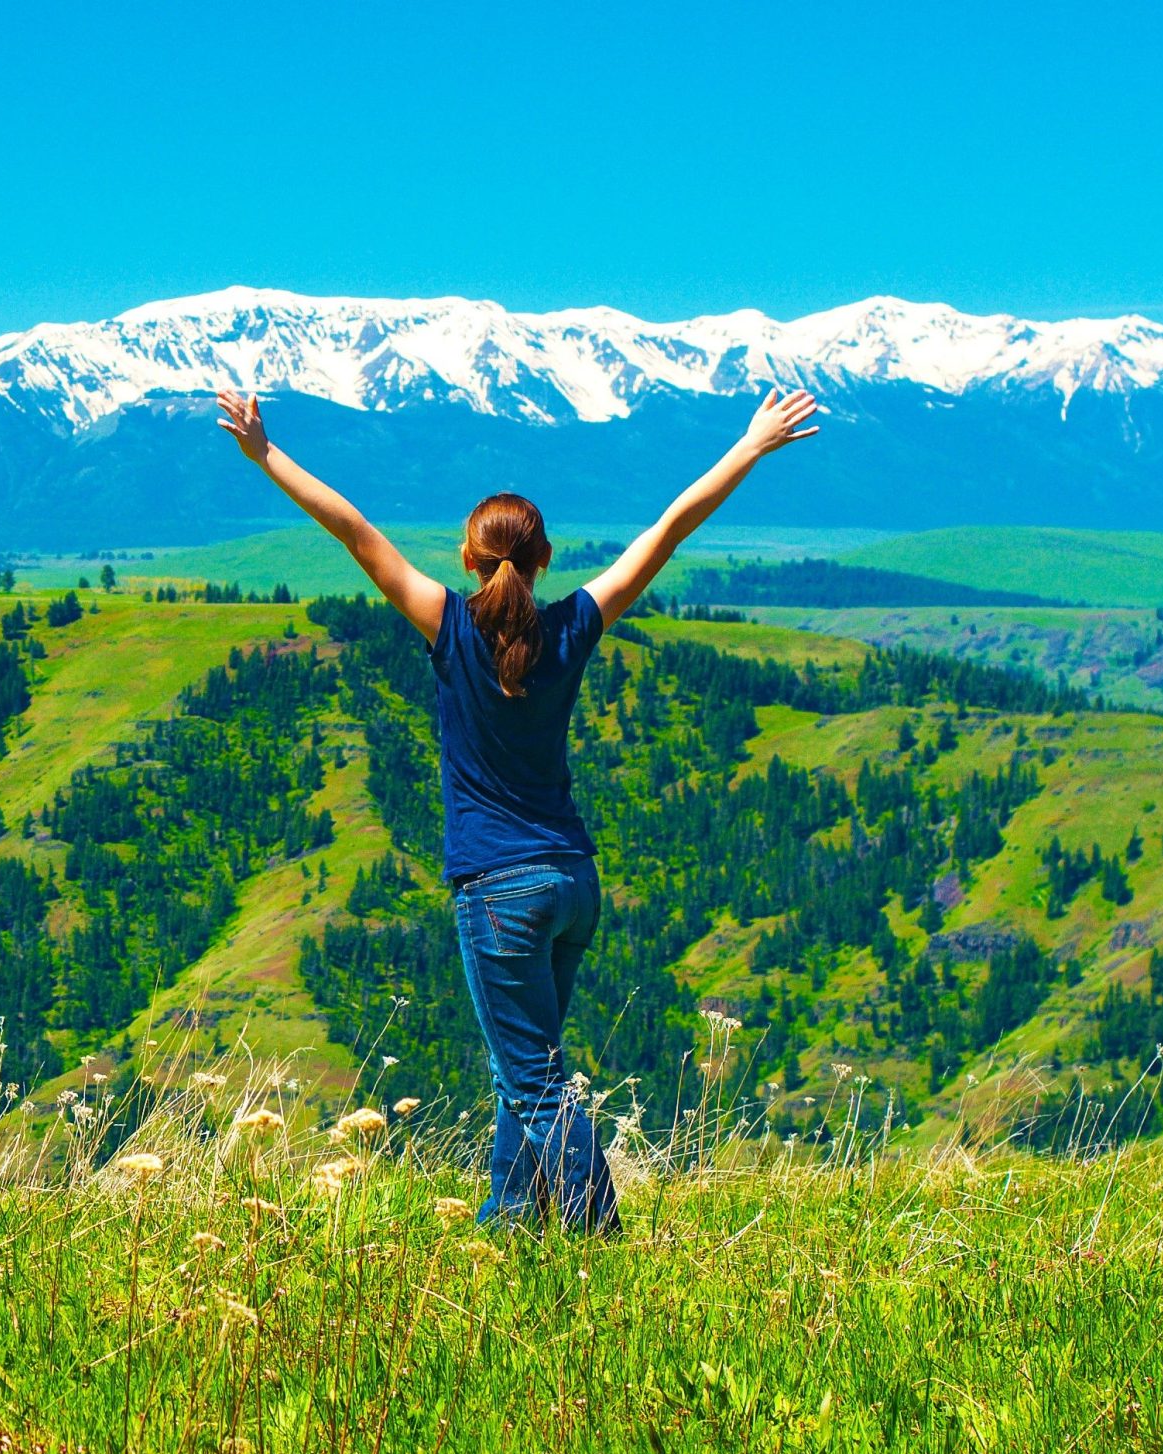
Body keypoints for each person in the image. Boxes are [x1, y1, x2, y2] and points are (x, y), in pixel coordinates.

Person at [215, 386, 822, 1231]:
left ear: (469, 559)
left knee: (534, 1081)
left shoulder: (448, 625)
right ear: (545, 558)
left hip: (498, 888)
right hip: (573, 880)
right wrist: (749, 447)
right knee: (527, 1066)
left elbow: (353, 530)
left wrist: (264, 454)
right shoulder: (574, 626)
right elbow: (669, 529)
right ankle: (508, 1220)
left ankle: (598, 1235)